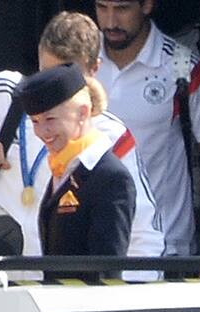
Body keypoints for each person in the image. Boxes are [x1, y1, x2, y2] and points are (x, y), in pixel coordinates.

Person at [0, 15, 163, 280]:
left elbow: (146, 236)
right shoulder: (8, 95)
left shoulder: (111, 136)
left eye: (64, 77)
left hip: (56, 297)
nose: (50, 93)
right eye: (45, 72)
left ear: (94, 70)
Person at [94, 0, 200, 257]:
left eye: (122, 9)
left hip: (166, 247)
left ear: (147, 5)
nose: (111, 22)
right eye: (102, 8)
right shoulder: (81, 60)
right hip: (97, 243)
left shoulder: (184, 67)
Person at [17, 63, 134, 275]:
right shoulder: (63, 168)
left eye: (50, 119)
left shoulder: (110, 177)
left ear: (83, 113)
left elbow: (107, 272)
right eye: (35, 121)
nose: (42, 131)